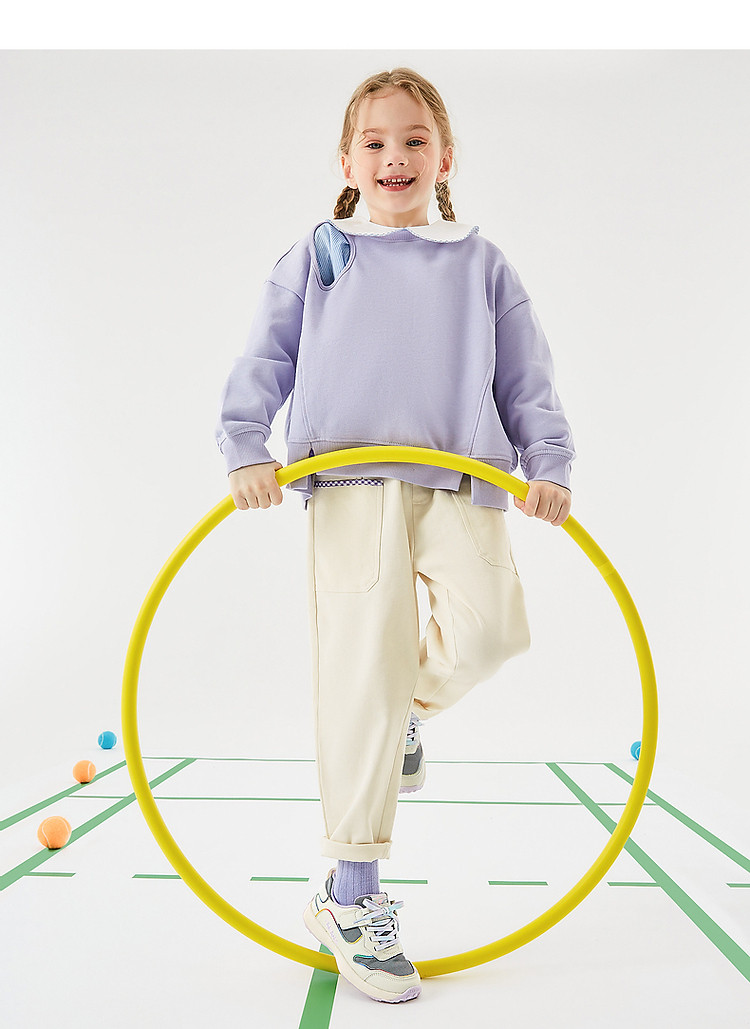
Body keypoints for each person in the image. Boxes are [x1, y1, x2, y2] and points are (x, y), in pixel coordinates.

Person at [215, 67, 575, 1004]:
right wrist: (247, 444)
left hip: (462, 474)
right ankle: (351, 894)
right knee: (356, 680)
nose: (395, 157)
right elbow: (265, 353)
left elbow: (526, 376)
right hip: (348, 482)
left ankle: (410, 706)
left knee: (494, 630)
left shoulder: (480, 261)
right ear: (347, 161)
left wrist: (548, 460)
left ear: (445, 157)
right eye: (374, 142)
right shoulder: (322, 253)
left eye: (415, 140)